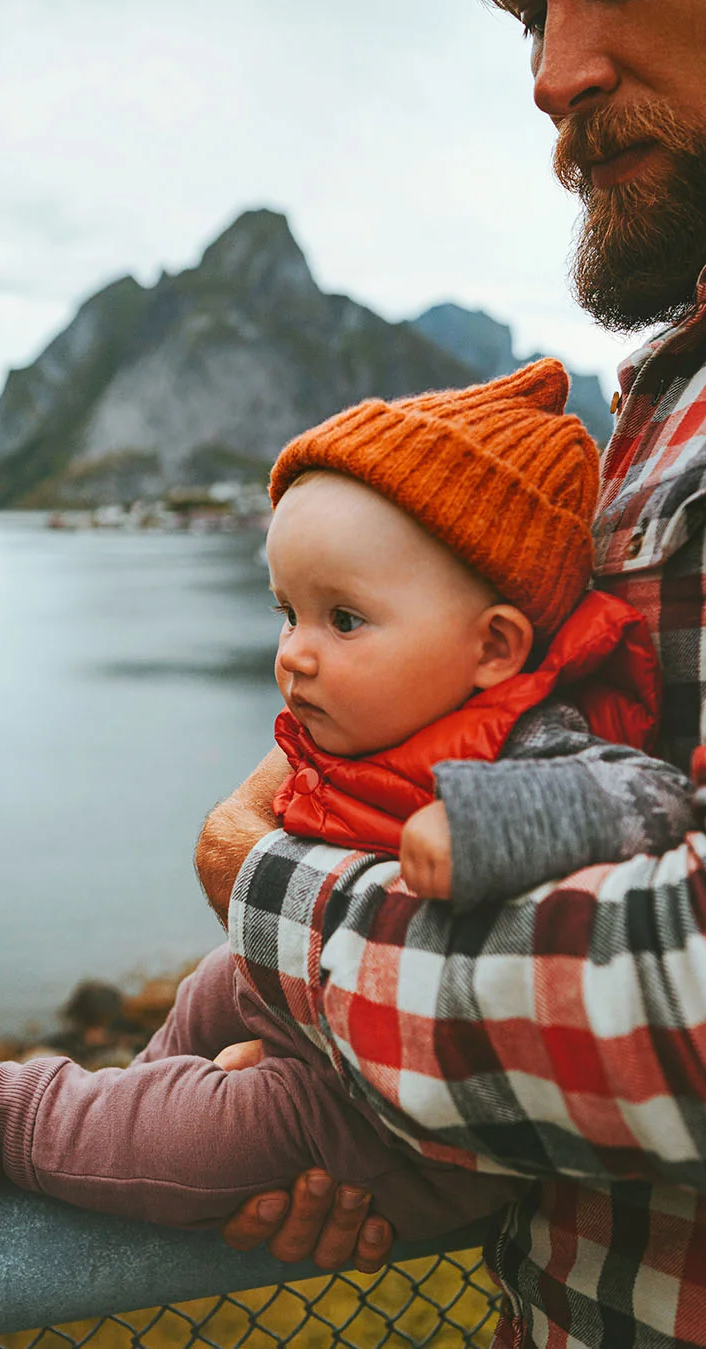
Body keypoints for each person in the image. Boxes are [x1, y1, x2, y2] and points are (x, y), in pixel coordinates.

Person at [0, 360, 694, 1255]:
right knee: (214, 978)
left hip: (407, 1122)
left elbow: (648, 794)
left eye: (343, 620)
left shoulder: (527, 741)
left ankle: (16, 1119)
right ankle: (146, 1095)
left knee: (240, 1131)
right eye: (287, 612)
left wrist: (486, 818)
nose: (294, 656)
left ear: (496, 647)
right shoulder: (383, 717)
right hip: (321, 1014)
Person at [201, 2, 706, 1343]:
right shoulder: (659, 404)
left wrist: (267, 887)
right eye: (533, 15)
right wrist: (360, 1114)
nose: (552, 75)